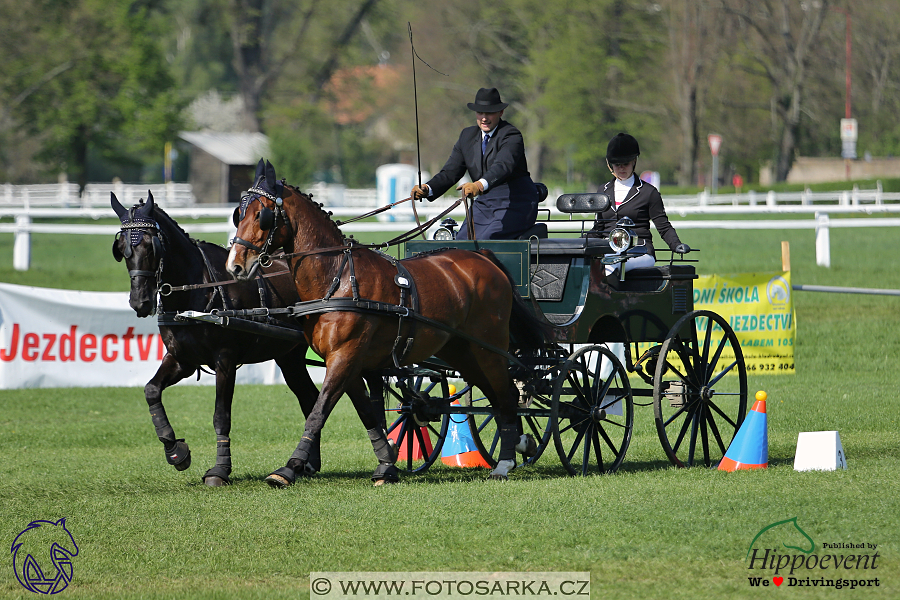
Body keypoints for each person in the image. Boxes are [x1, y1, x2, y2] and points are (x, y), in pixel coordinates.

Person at [410, 87, 539, 239]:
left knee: (486, 240)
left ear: (500, 113)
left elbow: (503, 166)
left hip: (515, 203)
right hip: (484, 204)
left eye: (489, 113)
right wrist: (428, 188)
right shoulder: (467, 136)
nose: (484, 118)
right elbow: (451, 171)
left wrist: (478, 185)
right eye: (480, 113)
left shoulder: (511, 135)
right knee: (462, 242)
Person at [588, 132, 690, 281]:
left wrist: (676, 245)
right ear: (610, 164)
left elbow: (663, 226)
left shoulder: (648, 193)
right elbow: (598, 229)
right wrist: (578, 244)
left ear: (634, 161)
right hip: (608, 250)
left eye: (626, 164)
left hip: (639, 251)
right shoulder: (602, 191)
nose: (621, 168)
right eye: (617, 164)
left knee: (611, 264)